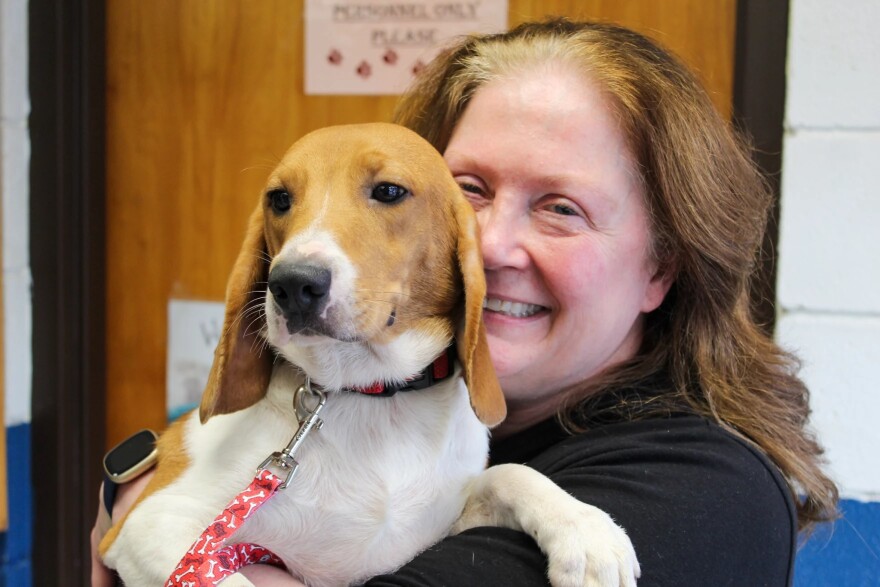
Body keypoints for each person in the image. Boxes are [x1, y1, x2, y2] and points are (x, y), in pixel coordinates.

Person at [91, 18, 838, 586]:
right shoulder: (422, 398)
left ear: (660, 269)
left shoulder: (704, 494)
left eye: (561, 208)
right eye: (469, 190)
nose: (485, 242)